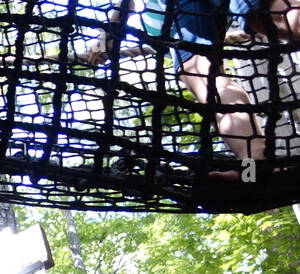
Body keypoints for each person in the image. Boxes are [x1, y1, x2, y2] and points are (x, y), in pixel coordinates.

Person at [84, 0, 277, 167]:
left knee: (203, 76)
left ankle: (255, 164)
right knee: (272, 16)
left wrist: (104, 38)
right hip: (202, 16)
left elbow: (126, 5)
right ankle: (255, 162)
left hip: (180, 14)